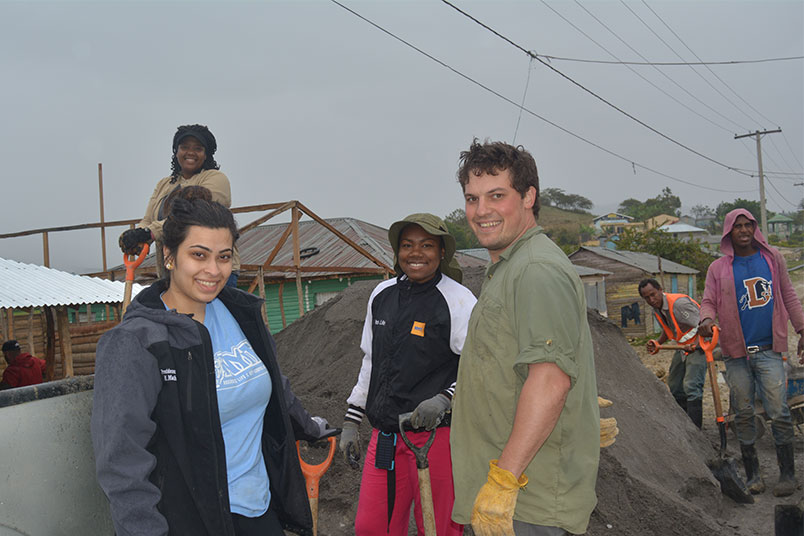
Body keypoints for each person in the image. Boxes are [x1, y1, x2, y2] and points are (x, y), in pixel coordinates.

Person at [92, 192, 337, 536]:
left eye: (223, 257)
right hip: (192, 521)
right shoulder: (137, 342)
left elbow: (272, 384)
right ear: (170, 256)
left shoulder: (242, 314)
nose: (213, 270)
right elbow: (122, 460)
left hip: (259, 511)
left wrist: (309, 426)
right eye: (198, 255)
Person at [449, 140, 599, 536]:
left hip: (526, 502)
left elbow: (549, 380)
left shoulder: (535, 270)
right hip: (517, 494)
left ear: (529, 196)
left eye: (497, 196)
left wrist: (504, 482)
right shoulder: (509, 267)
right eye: (472, 198)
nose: (481, 211)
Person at [338, 213, 477, 536]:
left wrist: (444, 399)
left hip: (436, 439)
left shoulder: (459, 300)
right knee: (372, 528)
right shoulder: (382, 295)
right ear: (397, 252)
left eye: (427, 245)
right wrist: (351, 420)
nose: (416, 253)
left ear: (442, 252)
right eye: (407, 245)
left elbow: (477, 369)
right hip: (385, 437)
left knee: (441, 528)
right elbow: (371, 362)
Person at [699, 208, 804, 498]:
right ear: (728, 232)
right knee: (743, 414)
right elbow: (708, 301)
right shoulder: (718, 269)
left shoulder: (772, 260)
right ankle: (754, 475)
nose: (743, 231)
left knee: (779, 411)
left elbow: (789, 295)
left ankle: (787, 475)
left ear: (754, 228)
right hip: (736, 354)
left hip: (769, 350)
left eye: (748, 225)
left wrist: (802, 328)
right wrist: (706, 319)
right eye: (738, 226)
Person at [117, 124, 240, 285]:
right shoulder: (164, 184)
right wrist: (137, 236)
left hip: (212, 269)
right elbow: (148, 219)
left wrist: (151, 233)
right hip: (174, 270)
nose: (190, 152)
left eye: (198, 148)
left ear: (206, 154)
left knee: (211, 311)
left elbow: (193, 215)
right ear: (176, 152)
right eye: (184, 147)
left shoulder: (216, 179)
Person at [638, 278, 707, 428]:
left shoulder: (678, 304)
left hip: (700, 345)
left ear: (660, 290)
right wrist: (658, 343)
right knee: (675, 385)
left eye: (653, 294)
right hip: (683, 347)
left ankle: (696, 430)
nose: (651, 299)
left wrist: (694, 345)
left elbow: (704, 325)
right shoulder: (657, 308)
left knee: (691, 385)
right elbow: (669, 329)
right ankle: (684, 425)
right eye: (647, 297)